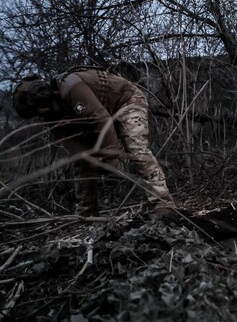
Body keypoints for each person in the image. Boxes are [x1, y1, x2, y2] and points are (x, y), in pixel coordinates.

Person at [12, 67, 176, 217]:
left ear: (43, 98)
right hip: (100, 115)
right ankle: (87, 212)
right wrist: (91, 159)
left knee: (136, 149)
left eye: (38, 110)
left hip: (126, 101)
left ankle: (163, 203)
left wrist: (110, 157)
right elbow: (74, 148)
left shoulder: (71, 87)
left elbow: (102, 120)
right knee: (80, 162)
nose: (40, 114)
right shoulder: (51, 115)